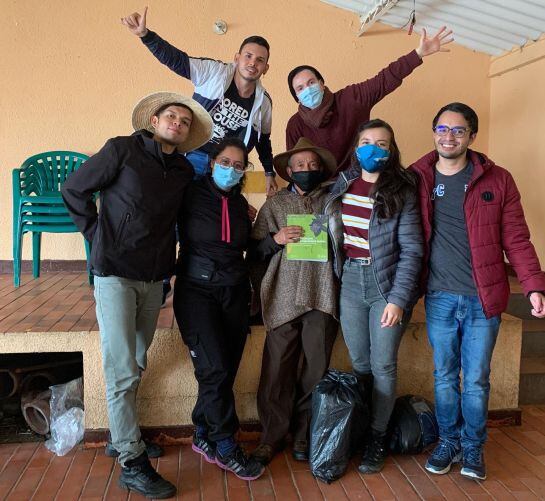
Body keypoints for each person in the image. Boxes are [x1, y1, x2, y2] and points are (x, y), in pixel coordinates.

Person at [61, 92, 213, 499]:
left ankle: (120, 435)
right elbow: (73, 189)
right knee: (121, 368)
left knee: (137, 358)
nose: (178, 123)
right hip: (114, 273)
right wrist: (97, 235)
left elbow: (187, 216)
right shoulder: (122, 150)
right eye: (171, 116)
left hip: (154, 277)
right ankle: (131, 460)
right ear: (154, 120)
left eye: (185, 121)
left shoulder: (183, 170)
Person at [410, 102, 545, 481]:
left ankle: (472, 446)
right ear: (434, 132)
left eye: (458, 130)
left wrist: (533, 286)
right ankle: (447, 441)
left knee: (475, 379)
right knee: (443, 375)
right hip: (439, 296)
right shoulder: (418, 177)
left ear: (472, 136)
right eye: (442, 129)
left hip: (482, 300)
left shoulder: (498, 180)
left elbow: (516, 238)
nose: (448, 136)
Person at [324, 119, 423, 473]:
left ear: (391, 150)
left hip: (387, 284)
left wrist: (398, 299)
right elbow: (328, 227)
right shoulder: (343, 184)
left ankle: (377, 438)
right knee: (360, 363)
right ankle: (363, 428)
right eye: (366, 142)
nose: (373, 149)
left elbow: (412, 250)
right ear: (356, 148)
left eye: (382, 144)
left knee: (383, 365)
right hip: (351, 280)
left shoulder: (402, 189)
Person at [173, 137, 264, 481]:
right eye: (225, 162)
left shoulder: (241, 205)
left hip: (234, 293)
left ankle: (202, 432)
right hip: (196, 292)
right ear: (211, 163)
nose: (231, 169)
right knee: (214, 370)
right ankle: (226, 444)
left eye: (239, 165)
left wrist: (274, 240)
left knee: (224, 370)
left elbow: (250, 250)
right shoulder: (189, 194)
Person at [121, 7, 278, 197]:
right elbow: (177, 60)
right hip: (192, 155)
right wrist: (146, 36)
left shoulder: (264, 103)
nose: (253, 63)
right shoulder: (213, 72)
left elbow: (263, 141)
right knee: (176, 202)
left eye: (260, 60)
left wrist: (269, 172)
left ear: (266, 68)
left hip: (225, 167)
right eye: (248, 56)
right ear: (237, 58)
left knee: (213, 211)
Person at [248, 138, 339, 466]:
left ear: (322, 169)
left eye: (313, 165)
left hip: (322, 297)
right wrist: (276, 239)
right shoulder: (274, 206)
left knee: (316, 370)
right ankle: (271, 436)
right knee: (276, 371)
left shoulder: (334, 203)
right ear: (288, 171)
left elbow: (348, 246)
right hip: (282, 297)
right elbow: (254, 252)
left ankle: (303, 434)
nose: (306, 169)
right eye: (300, 165)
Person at [286, 26, 453, 171]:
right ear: (297, 98)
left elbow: (383, 80)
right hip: (321, 189)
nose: (308, 90)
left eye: (311, 83)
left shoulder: (351, 98)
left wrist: (418, 54)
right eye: (300, 88)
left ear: (322, 84)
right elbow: (295, 166)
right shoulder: (295, 125)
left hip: (360, 177)